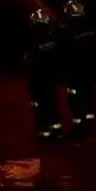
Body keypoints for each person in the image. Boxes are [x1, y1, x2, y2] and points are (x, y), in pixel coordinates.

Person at [58, 0, 96, 137]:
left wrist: (64, 74)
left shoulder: (69, 31)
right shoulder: (90, 28)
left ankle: (78, 127)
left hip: (75, 73)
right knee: (88, 96)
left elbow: (66, 53)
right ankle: (89, 124)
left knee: (75, 99)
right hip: (90, 71)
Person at [27, 8, 63, 140]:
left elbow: (31, 65)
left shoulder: (34, 41)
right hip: (51, 79)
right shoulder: (52, 38)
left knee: (41, 108)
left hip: (39, 81)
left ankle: (45, 134)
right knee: (52, 105)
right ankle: (58, 131)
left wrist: (32, 90)